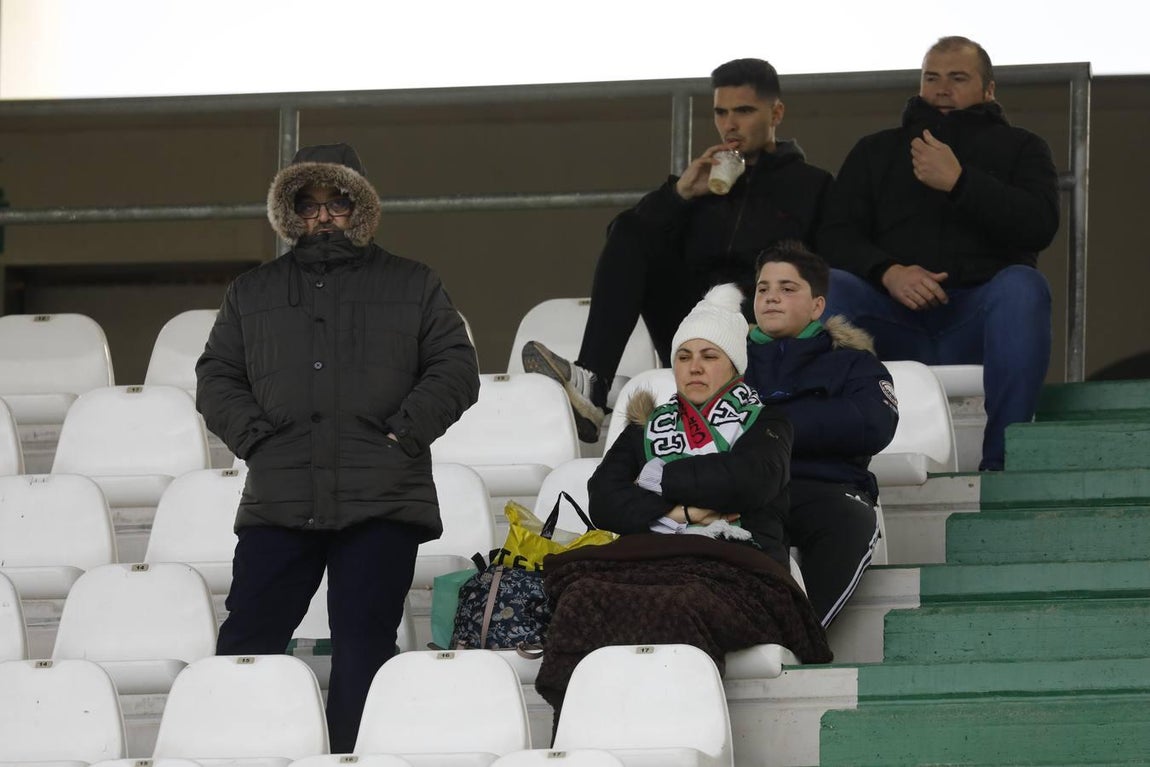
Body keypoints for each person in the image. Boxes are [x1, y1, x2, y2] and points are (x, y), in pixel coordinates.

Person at [195, 143, 480, 751]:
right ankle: (241, 756)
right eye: (308, 204)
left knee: (364, 646)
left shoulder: (413, 282)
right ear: (290, 212)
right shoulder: (251, 291)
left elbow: (456, 368)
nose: (323, 216)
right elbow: (216, 376)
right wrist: (257, 442)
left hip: (382, 496)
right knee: (248, 641)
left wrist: (403, 434)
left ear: (362, 206)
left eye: (338, 202)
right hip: (281, 494)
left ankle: (354, 759)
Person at [535, 284, 831, 722]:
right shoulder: (644, 429)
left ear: (734, 366)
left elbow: (748, 482)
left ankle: (679, 731)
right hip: (649, 564)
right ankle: (581, 732)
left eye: (709, 356)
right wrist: (682, 513)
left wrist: (655, 478)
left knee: (682, 601)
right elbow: (605, 499)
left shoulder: (767, 422)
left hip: (739, 571)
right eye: (684, 356)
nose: (694, 367)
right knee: (580, 598)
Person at [523, 58, 832, 442]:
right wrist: (680, 194)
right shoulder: (698, 185)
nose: (730, 124)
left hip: (758, 325)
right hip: (691, 323)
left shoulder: (812, 186)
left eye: (743, 111)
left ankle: (620, 390)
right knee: (633, 230)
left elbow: (823, 271)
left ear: (776, 113)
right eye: (720, 112)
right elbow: (624, 237)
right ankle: (595, 382)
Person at [818, 36, 1060, 471]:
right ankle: (834, 456)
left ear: (989, 89)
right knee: (831, 286)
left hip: (977, 322)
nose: (942, 89)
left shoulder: (1023, 147)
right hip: (893, 320)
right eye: (932, 78)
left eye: (958, 78)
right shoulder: (876, 150)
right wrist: (888, 271)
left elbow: (1039, 225)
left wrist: (960, 182)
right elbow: (833, 234)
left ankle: (1003, 464)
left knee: (1024, 287)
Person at [745, 242, 899, 626]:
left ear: (817, 306)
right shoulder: (726, 361)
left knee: (848, 523)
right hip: (746, 490)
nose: (771, 297)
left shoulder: (854, 363)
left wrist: (765, 422)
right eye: (763, 289)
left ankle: (802, 639)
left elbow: (873, 423)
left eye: (787, 288)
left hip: (829, 491)